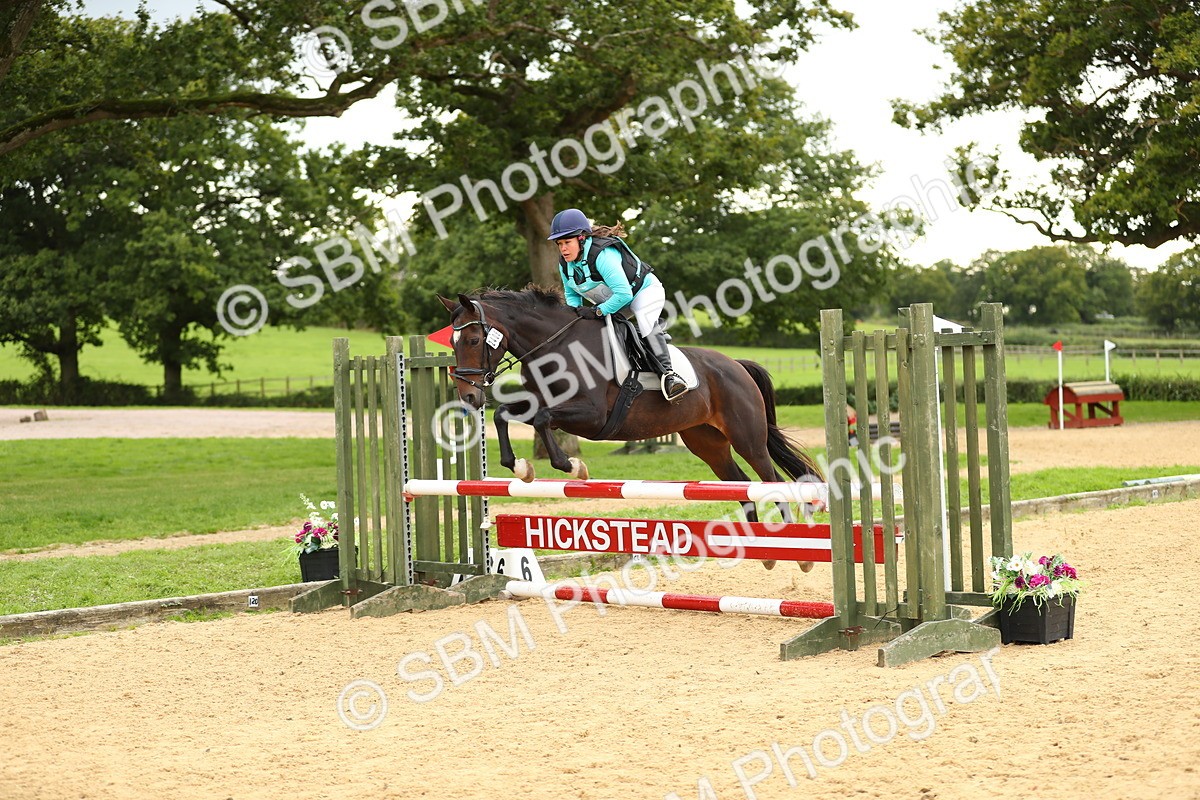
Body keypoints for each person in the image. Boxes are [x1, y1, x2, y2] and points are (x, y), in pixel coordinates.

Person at [547, 208, 688, 401]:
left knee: (645, 320)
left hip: (643, 292)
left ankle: (670, 376)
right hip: (614, 302)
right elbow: (572, 295)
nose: (563, 249)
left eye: (567, 242)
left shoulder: (603, 255)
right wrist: (574, 318)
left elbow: (624, 294)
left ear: (581, 238)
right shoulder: (565, 264)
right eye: (560, 243)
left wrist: (597, 311)